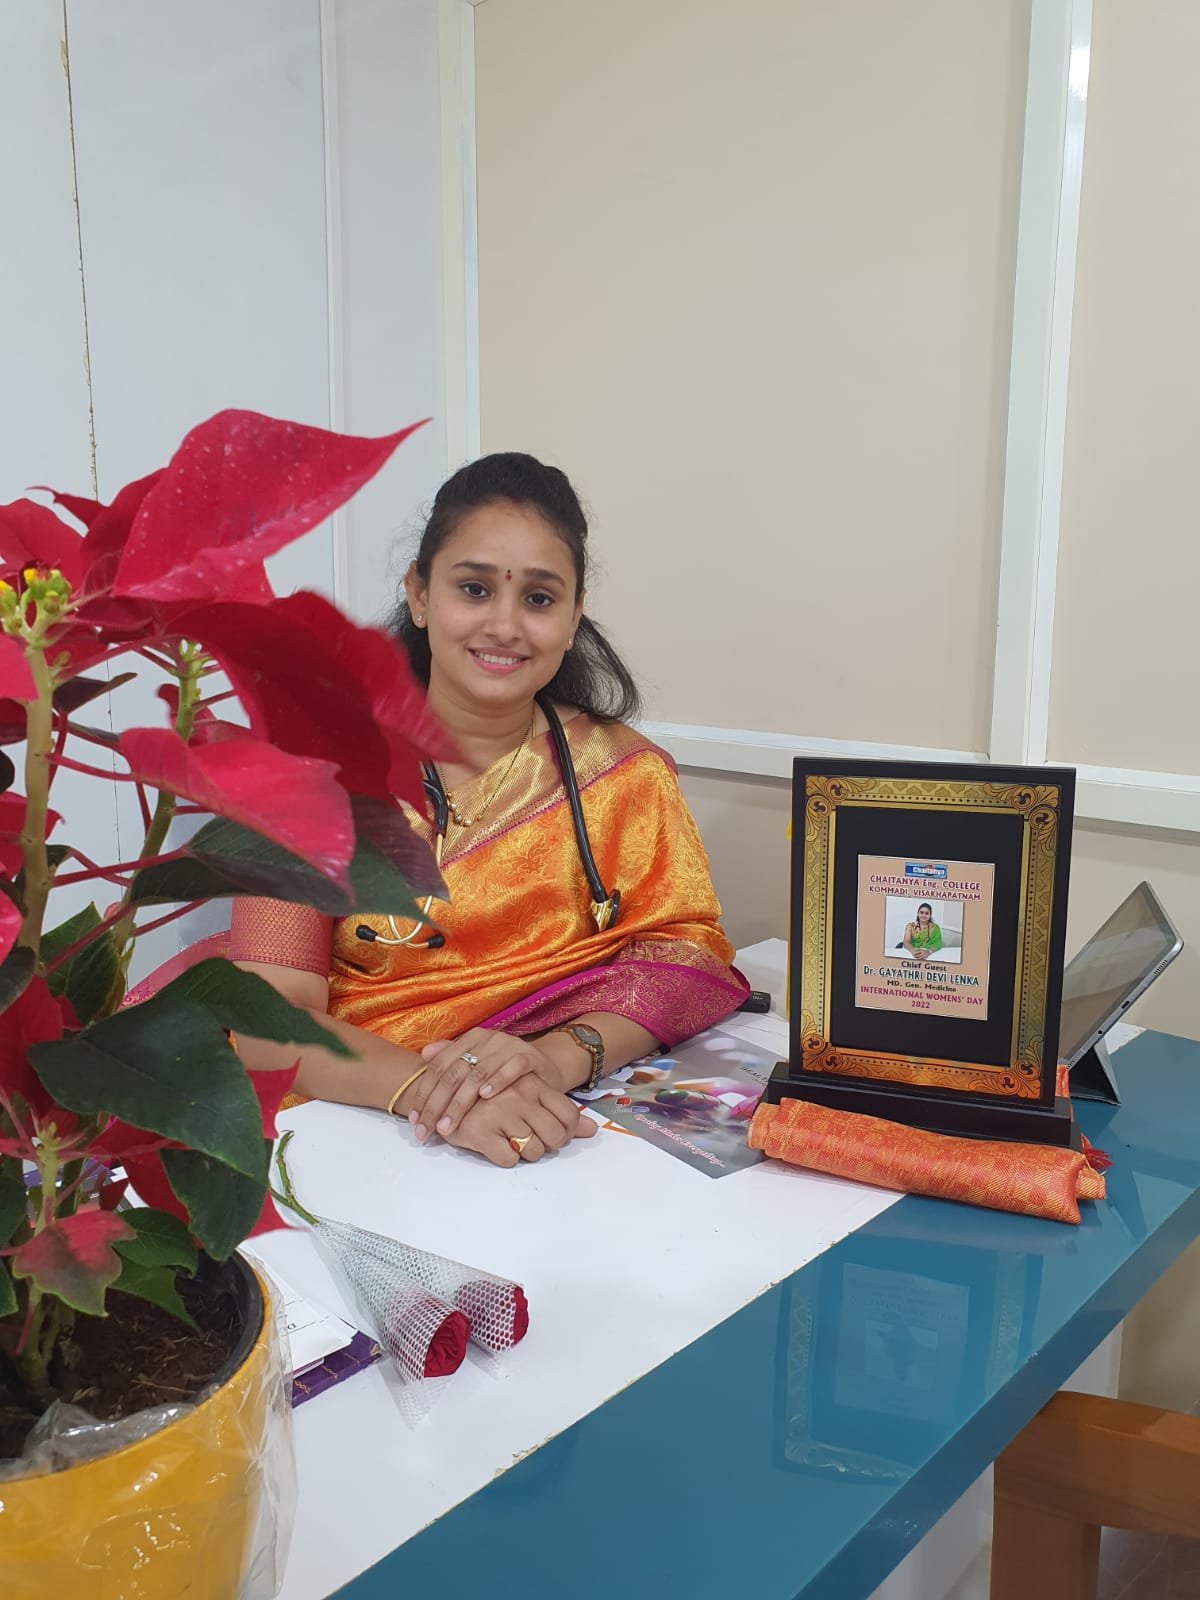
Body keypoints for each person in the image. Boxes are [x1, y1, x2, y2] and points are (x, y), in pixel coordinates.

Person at [231, 453, 748, 1167]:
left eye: (538, 598)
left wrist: (557, 1058)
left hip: (552, 1116)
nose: (505, 625)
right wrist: (437, 1091)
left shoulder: (625, 775)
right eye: (474, 589)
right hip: (352, 1120)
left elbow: (686, 955)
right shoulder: (307, 771)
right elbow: (267, 1018)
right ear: (419, 595)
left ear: (574, 615)